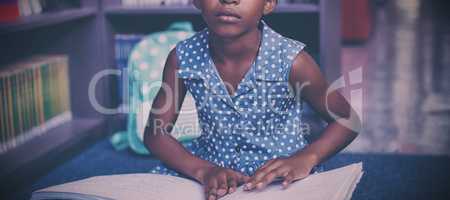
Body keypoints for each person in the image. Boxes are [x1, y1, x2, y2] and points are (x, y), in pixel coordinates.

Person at [143, 0, 360, 200]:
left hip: (280, 175)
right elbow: (155, 132)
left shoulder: (293, 60)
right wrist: (203, 170)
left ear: (268, 4)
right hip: (209, 169)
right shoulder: (182, 57)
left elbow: (347, 120)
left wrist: (307, 157)